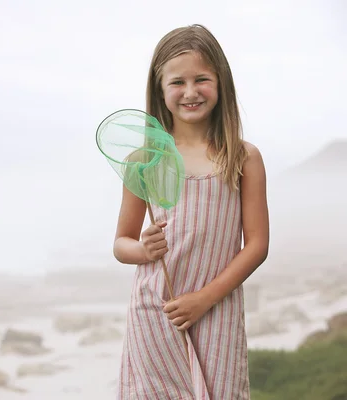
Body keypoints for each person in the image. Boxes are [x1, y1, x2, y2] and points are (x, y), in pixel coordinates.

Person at [113, 24, 269, 399]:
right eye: (177, 82)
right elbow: (122, 243)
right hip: (156, 313)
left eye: (202, 79)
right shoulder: (144, 161)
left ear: (221, 82)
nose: (190, 92)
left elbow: (257, 245)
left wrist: (204, 299)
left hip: (217, 310)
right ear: (160, 90)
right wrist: (143, 250)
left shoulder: (243, 157)